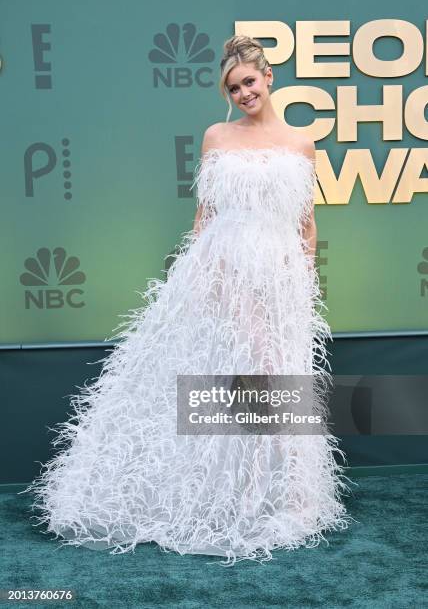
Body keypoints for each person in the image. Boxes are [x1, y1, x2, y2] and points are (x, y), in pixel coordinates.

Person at [20, 35, 355, 567]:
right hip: (223, 268)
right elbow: (204, 217)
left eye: (249, 81)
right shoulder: (216, 136)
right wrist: (196, 279)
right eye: (233, 87)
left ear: (269, 78)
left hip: (280, 278)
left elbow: (306, 224)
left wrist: (302, 282)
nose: (243, 91)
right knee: (250, 372)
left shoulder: (302, 144)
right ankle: (244, 494)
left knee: (279, 373)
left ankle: (288, 494)